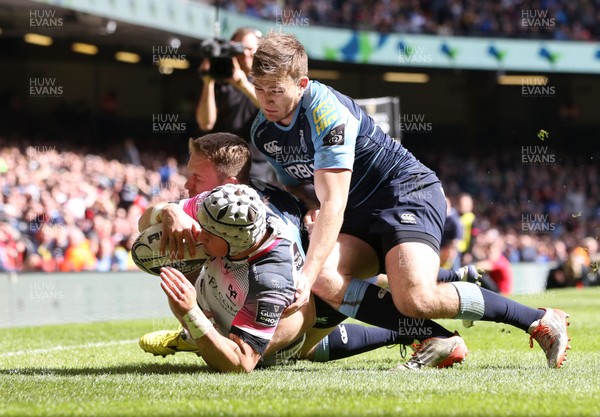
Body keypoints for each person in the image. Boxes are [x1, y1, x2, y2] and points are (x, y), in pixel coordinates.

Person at [249, 32, 571, 368]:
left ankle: (538, 319)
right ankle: (438, 337)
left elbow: (334, 203)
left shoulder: (325, 112)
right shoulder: (263, 131)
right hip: (360, 209)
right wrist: (310, 208)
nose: (266, 99)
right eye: (259, 88)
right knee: (326, 278)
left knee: (414, 298)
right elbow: (298, 185)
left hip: (405, 191)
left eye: (276, 90)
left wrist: (305, 271)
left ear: (301, 83)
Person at [138, 133, 470, 369]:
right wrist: (170, 211)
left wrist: (196, 319)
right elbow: (144, 229)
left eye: (196, 177)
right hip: (291, 284)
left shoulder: (265, 236)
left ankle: (439, 311)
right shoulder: (224, 204)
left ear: (229, 183)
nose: (187, 186)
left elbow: (242, 361)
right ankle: (437, 292)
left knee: (288, 348)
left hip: (302, 296)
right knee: (183, 245)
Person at [196, 27, 274, 183]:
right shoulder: (220, 81)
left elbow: (271, 108)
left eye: (250, 49)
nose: (245, 54)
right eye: (240, 49)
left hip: (257, 171)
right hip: (221, 168)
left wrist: (242, 83)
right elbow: (206, 123)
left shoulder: (268, 80)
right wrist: (208, 83)